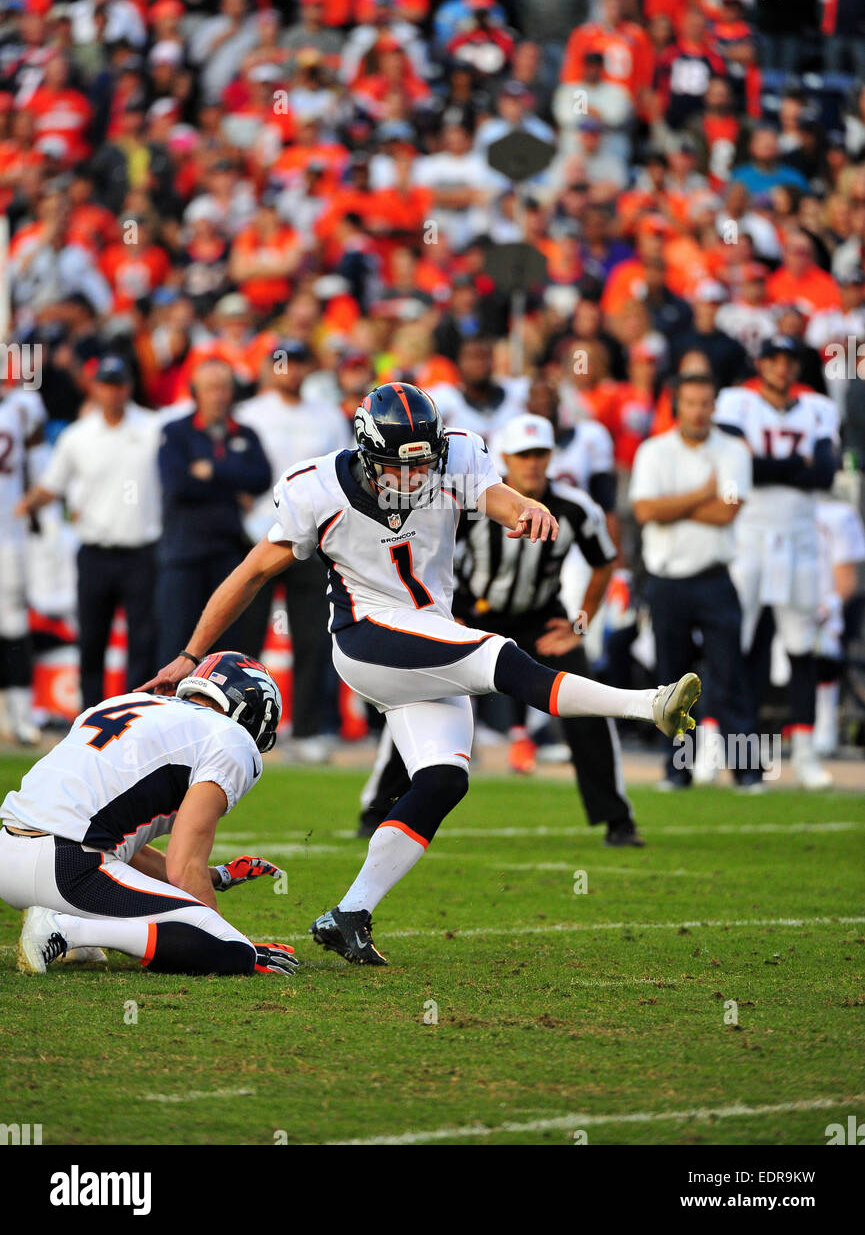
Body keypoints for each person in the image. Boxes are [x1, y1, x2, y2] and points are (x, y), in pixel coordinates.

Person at [139, 383, 701, 965]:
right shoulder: (318, 490)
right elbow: (252, 573)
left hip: (427, 630)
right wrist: (188, 655)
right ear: (366, 454)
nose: (413, 480)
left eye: (423, 465)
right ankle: (648, 704)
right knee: (502, 658)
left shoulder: (454, 456)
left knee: (443, 781)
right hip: (367, 635)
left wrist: (526, 508)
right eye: (396, 467)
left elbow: (496, 497)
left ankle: (350, 913)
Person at [358, 412, 643, 846]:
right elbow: (428, 554)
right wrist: (442, 614)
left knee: (586, 703)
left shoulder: (574, 508)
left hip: (541, 619)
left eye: (540, 454)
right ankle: (378, 809)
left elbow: (605, 562)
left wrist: (579, 625)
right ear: (504, 457)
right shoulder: (472, 499)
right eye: (523, 455)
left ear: (552, 457)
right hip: (473, 614)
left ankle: (616, 818)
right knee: (422, 696)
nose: (532, 463)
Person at [0, 651, 298, 978]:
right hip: (67, 866)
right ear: (250, 716)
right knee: (232, 951)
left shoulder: (122, 703)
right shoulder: (232, 739)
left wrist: (217, 876)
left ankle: (66, 922)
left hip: (11, 850)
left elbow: (115, 839)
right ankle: (67, 930)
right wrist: (222, 937)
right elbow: (183, 866)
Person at [714, 337, 840, 788]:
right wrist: (794, 465)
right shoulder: (736, 402)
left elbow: (825, 472)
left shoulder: (819, 408)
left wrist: (768, 464)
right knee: (733, 641)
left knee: (801, 645)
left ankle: (805, 753)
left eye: (789, 361)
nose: (782, 369)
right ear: (761, 363)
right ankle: (714, 741)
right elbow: (738, 464)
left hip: (801, 539)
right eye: (774, 360)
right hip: (748, 535)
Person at [630, 373, 758, 789]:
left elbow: (728, 511)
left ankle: (747, 772)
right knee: (671, 684)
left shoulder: (733, 450)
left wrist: (675, 505)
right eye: (691, 403)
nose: (699, 411)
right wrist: (703, 493)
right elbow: (645, 511)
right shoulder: (653, 451)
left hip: (715, 577)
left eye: (706, 403)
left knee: (730, 675)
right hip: (667, 582)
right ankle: (677, 771)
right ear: (676, 406)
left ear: (714, 407)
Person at [16, 357, 162, 712]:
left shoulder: (154, 427)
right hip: (95, 551)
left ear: (128, 387)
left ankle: (135, 715)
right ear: (95, 388)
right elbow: (52, 485)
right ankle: (90, 719)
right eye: (106, 384)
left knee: (143, 642)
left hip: (142, 551)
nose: (113, 392)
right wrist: (19, 507)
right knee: (92, 641)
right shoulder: (78, 436)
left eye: (119, 384)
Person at [234, 340, 350, 758]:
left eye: (300, 362)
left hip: (312, 537)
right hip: (259, 533)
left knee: (313, 637)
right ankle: (240, 728)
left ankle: (306, 731)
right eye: (285, 362)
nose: (292, 371)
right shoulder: (249, 413)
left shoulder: (326, 414)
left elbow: (341, 471)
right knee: (247, 636)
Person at [155, 357, 271, 668]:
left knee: (230, 651)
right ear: (196, 392)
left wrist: (212, 471)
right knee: (176, 645)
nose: (218, 395)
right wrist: (233, 488)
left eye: (224, 388)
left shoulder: (245, 433)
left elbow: (262, 477)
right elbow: (178, 484)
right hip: (183, 555)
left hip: (229, 553)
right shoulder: (175, 431)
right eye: (211, 389)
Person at [0, 378, 47, 744]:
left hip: (9, 535)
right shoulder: (20, 406)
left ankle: (20, 716)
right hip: (10, 536)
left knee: (14, 626)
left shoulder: (23, 406)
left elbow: (36, 463)